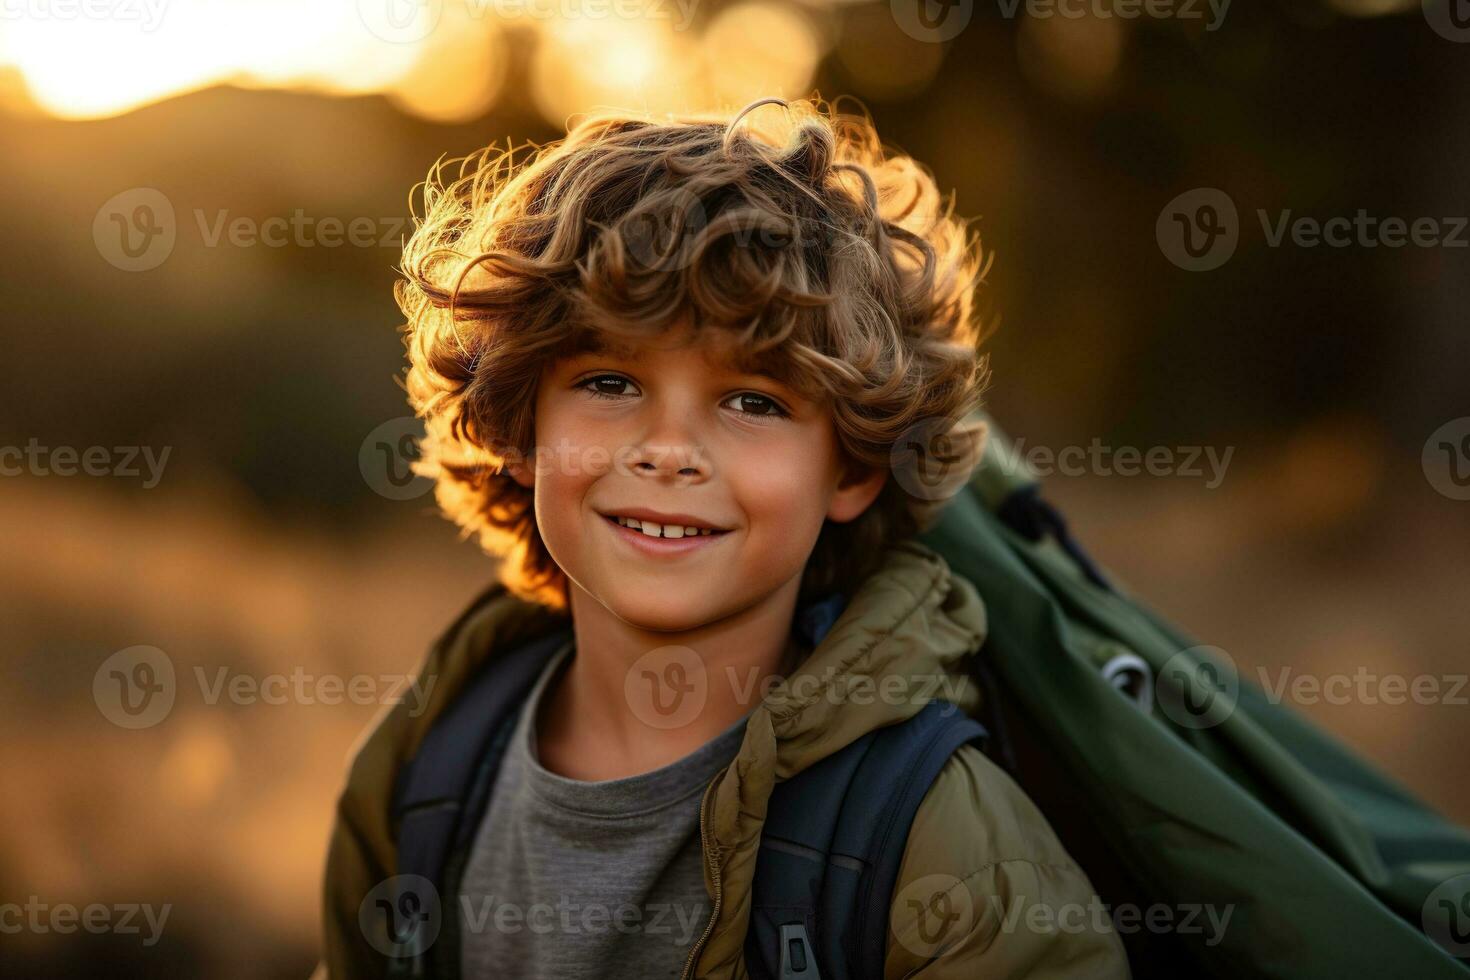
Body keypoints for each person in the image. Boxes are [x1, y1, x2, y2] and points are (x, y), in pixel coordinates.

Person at [315, 94, 1129, 979]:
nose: (669, 452)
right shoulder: (427, 761)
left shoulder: (944, 849)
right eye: (610, 382)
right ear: (519, 427)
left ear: (853, 469)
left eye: (754, 401)